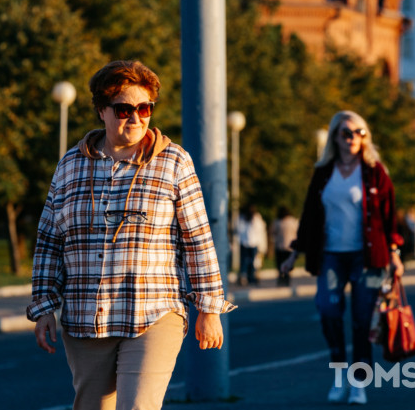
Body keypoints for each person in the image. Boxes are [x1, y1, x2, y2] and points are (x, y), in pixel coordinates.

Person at [27, 60, 236, 410]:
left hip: (154, 312)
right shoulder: (70, 165)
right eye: (124, 109)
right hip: (84, 317)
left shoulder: (174, 162)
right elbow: (50, 240)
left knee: (138, 406)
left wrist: (209, 308)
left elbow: (198, 239)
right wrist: (44, 306)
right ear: (101, 111)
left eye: (144, 108)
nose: (136, 117)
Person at [280, 110, 404, 405]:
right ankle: (339, 375)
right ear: (336, 136)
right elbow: (309, 216)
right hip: (331, 255)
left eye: (360, 133)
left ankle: (359, 384)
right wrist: (293, 254)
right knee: (328, 312)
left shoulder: (375, 172)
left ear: (366, 137)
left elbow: (389, 218)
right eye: (347, 133)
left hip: (367, 256)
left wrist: (396, 253)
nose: (353, 139)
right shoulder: (324, 172)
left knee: (362, 321)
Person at [237, 204, 267, 286]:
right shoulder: (256, 218)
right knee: (253, 260)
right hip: (254, 242)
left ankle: (244, 277)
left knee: (245, 261)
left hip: (244, 243)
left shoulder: (242, 218)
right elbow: (260, 230)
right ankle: (251, 277)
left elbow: (239, 230)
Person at [271, 206, 299, 287]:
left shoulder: (277, 222)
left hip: (279, 246)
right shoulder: (293, 221)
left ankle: (281, 279)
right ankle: (287, 279)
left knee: (279, 264)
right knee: (288, 264)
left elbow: (273, 232)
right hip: (290, 247)